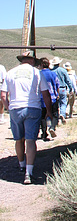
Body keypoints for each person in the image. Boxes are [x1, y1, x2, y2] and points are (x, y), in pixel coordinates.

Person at [1, 51, 53, 184]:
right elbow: (45, 94)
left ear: (22, 60)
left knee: (19, 140)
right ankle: (28, 173)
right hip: (32, 108)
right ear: (32, 61)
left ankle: (21, 164)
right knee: (30, 141)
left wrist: (8, 108)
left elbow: (3, 95)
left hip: (15, 108)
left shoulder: (10, 73)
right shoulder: (36, 73)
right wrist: (49, 111)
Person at [37, 57, 60, 140]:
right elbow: (57, 84)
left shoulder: (39, 74)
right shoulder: (53, 73)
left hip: (41, 98)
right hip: (53, 97)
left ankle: (44, 133)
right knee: (54, 114)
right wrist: (57, 94)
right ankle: (52, 127)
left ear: (41, 65)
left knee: (43, 116)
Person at [50, 57, 74, 125]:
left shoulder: (51, 71)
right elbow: (68, 80)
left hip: (54, 89)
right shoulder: (63, 70)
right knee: (63, 102)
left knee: (55, 104)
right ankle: (62, 114)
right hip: (62, 88)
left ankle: (56, 119)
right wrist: (71, 88)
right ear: (59, 63)